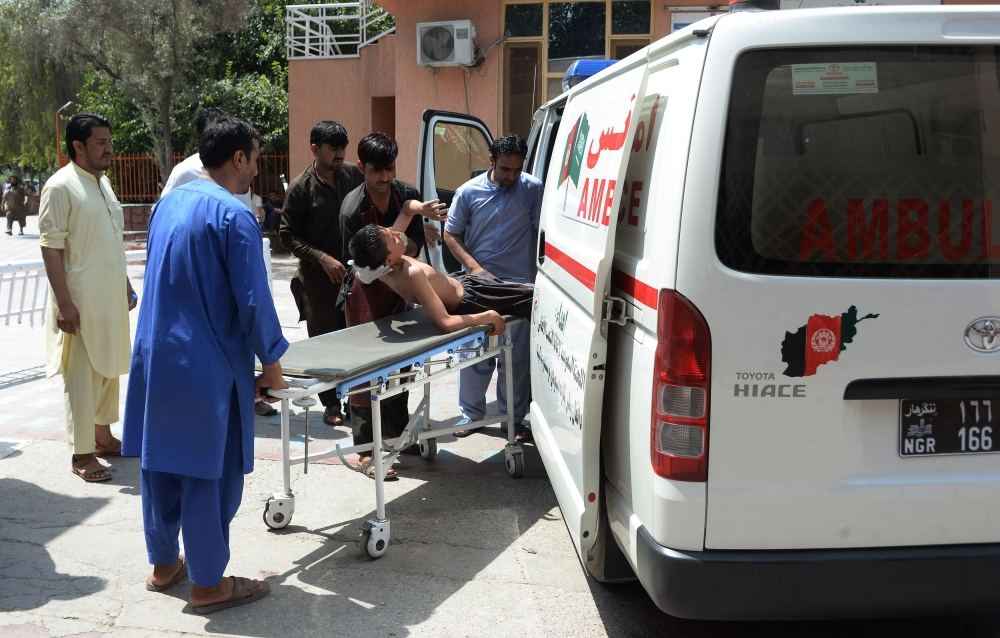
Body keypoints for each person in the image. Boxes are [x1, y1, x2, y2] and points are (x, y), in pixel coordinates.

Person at [122, 116, 288, 614]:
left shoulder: (167, 204)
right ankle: (209, 584)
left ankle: (163, 564)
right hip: (204, 363)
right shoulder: (234, 216)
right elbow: (254, 301)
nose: (257, 167)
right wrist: (272, 367)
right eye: (256, 157)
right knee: (205, 471)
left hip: (156, 356)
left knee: (161, 463)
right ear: (238, 158)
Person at [338, 132, 446, 474]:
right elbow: (362, 263)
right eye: (376, 171)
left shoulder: (408, 195)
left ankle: (396, 434)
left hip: (401, 286)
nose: (384, 177)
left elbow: (416, 241)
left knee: (402, 362)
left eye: (389, 169)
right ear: (361, 168)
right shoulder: (351, 210)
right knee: (365, 370)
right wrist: (400, 249)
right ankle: (367, 449)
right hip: (364, 291)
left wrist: (404, 247)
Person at [38, 113, 137, 482]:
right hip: (78, 304)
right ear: (77, 146)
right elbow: (50, 248)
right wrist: (64, 304)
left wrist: (124, 283)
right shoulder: (60, 186)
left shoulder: (103, 182)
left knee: (107, 370)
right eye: (100, 142)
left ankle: (102, 437)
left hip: (109, 300)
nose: (109, 148)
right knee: (81, 377)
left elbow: (110, 239)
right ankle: (81, 454)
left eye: (109, 141)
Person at [443, 134, 541, 441]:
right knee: (474, 353)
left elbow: (541, 235)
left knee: (516, 358)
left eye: (517, 169)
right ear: (491, 161)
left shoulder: (532, 189)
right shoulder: (467, 192)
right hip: (477, 286)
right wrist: (475, 269)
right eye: (505, 169)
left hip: (519, 288)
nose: (512, 176)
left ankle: (512, 418)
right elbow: (451, 235)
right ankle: (470, 415)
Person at [279, 121, 364, 427]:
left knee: (357, 340)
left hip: (356, 276)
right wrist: (322, 258)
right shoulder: (301, 188)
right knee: (325, 342)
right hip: (319, 282)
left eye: (343, 147)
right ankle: (330, 404)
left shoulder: (355, 173)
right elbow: (287, 235)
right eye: (333, 149)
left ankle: (359, 401)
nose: (340, 154)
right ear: (315, 149)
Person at [348, 222, 529, 333]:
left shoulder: (377, 269)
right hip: (474, 299)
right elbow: (445, 323)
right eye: (393, 239)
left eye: (389, 230)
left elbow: (358, 272)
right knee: (534, 298)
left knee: (529, 293)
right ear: (388, 259)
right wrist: (487, 316)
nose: (397, 233)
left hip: (465, 282)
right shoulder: (413, 274)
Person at [160, 107, 253, 209]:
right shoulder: (184, 172)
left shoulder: (239, 168)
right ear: (201, 140)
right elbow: (162, 212)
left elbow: (245, 211)